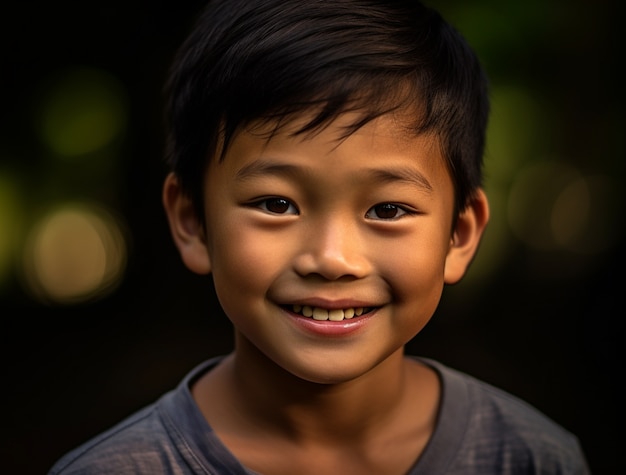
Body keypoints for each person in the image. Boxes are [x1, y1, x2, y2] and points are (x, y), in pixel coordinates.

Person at [48, 0, 590, 473]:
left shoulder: (529, 457)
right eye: (277, 204)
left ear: (459, 235)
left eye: (388, 209)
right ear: (192, 223)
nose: (332, 259)